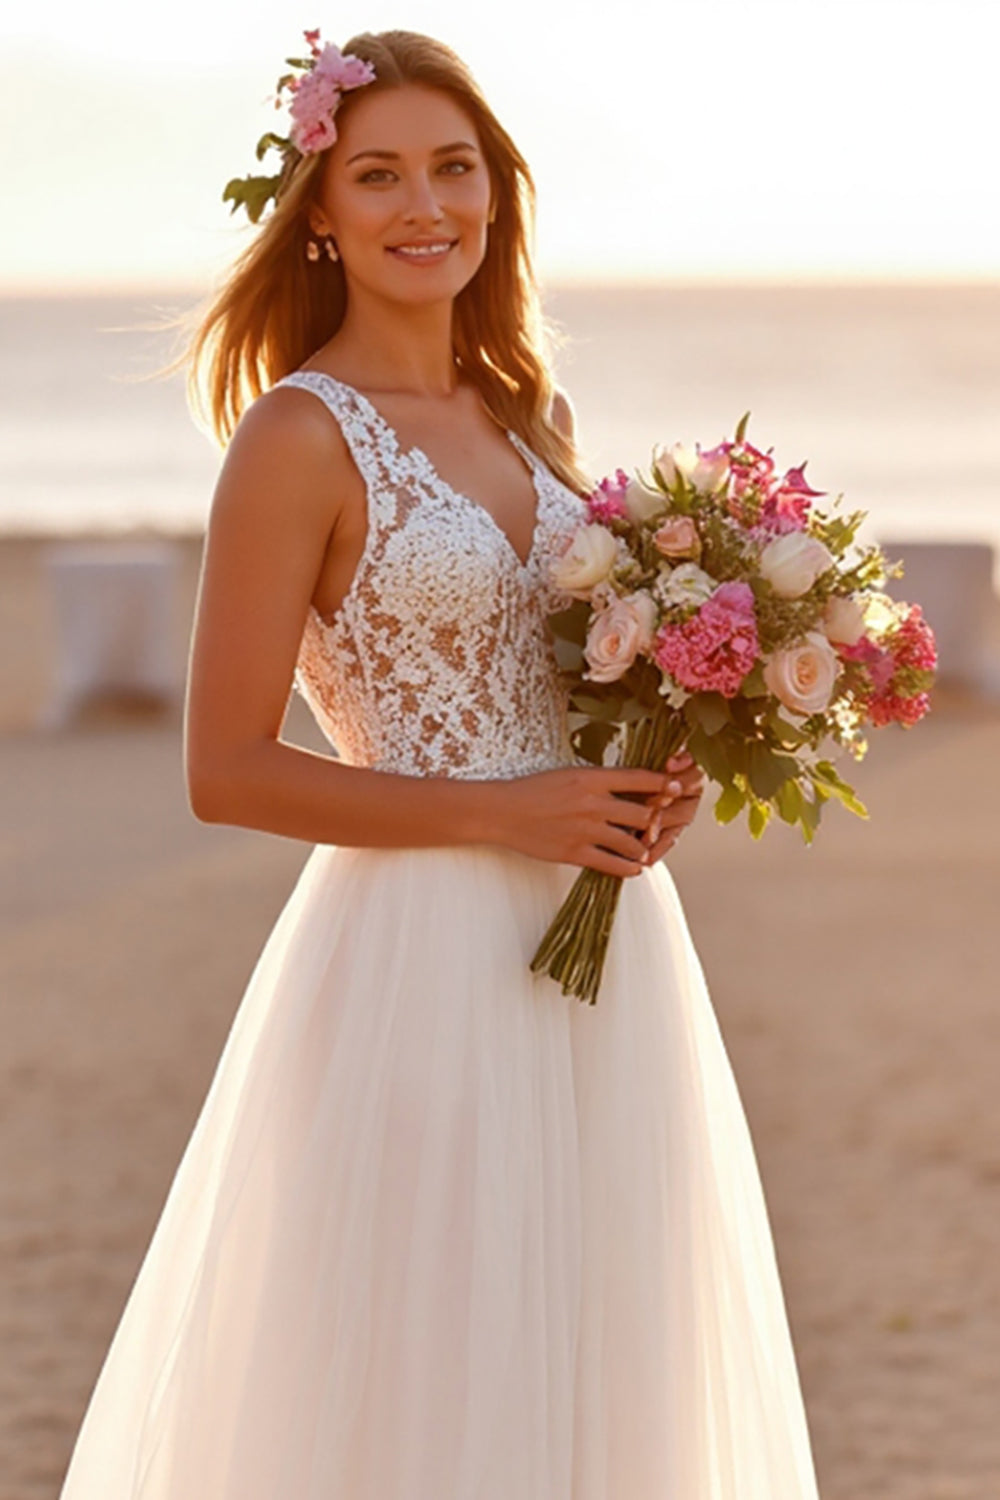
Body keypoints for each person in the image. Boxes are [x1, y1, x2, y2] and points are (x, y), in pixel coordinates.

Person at [57, 27, 823, 1499]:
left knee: (610, 1346)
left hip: (610, 948)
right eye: (381, 172)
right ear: (321, 214)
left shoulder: (534, 419)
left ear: (498, 193)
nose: (428, 204)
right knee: (428, 1363)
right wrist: (504, 809)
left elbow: (577, 685)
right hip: (416, 958)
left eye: (455, 168)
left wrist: (654, 773)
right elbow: (226, 770)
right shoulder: (295, 438)